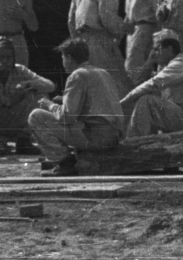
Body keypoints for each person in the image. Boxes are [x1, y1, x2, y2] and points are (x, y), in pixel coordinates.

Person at [29, 37, 125, 175]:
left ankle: (64, 162)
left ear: (68, 57)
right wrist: (64, 100)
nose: (62, 62)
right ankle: (67, 157)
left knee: (36, 116)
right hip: (114, 137)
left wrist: (49, 104)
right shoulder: (102, 72)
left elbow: (67, 117)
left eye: (63, 57)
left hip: (97, 137)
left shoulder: (77, 75)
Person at [120, 32, 183, 137]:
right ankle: (139, 140)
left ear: (169, 49)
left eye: (157, 49)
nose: (153, 53)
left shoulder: (181, 64)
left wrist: (123, 103)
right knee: (145, 98)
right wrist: (150, 61)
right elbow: (138, 83)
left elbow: (152, 84)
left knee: (147, 101)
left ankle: (132, 141)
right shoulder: (168, 65)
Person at [68, 0, 130, 92]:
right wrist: (123, 28)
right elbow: (107, 19)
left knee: (91, 88)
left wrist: (77, 42)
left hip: (81, 42)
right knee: (117, 86)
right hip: (99, 41)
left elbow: (71, 19)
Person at [121, 0, 163, 85]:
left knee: (137, 72)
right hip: (132, 33)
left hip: (146, 31)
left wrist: (157, 41)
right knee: (133, 71)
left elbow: (159, 14)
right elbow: (129, 13)